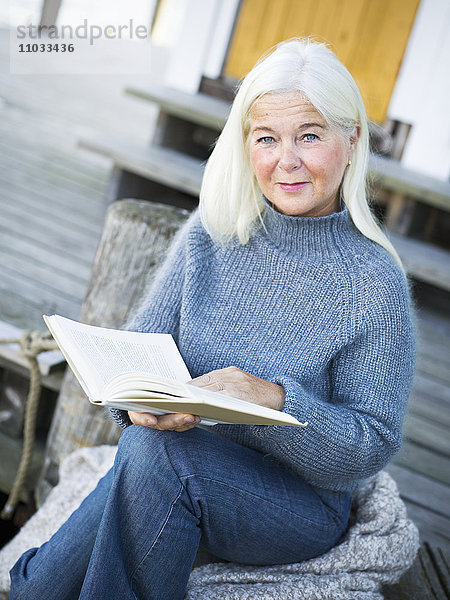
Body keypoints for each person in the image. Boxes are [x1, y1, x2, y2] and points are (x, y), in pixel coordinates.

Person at [10, 37, 415, 600]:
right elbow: (135, 351)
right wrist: (140, 403)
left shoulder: (375, 282)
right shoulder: (212, 233)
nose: (286, 159)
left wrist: (273, 399)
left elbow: (369, 445)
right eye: (267, 138)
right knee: (50, 575)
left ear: (351, 141)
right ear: (246, 143)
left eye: (310, 135)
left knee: (157, 461)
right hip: (173, 459)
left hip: (295, 505)